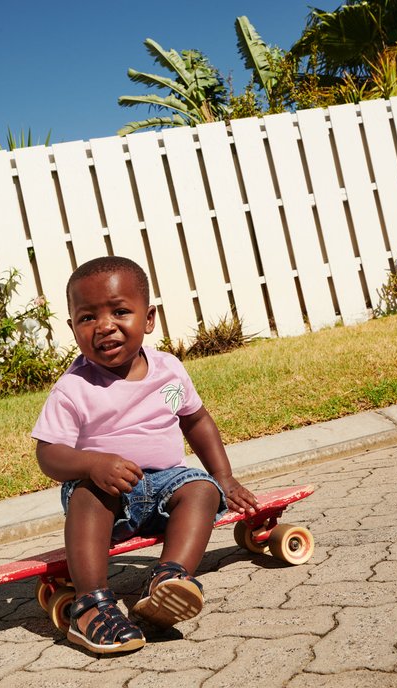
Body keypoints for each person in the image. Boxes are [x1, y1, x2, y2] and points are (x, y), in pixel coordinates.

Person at [32, 256, 259, 655]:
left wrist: (224, 478)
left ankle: (169, 580)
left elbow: (194, 420)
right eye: (87, 318)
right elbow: (49, 454)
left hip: (165, 485)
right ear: (72, 329)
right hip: (107, 496)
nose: (104, 326)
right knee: (85, 494)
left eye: (120, 311)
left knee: (201, 490)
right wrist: (92, 465)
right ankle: (89, 605)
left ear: (149, 318)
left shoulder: (167, 376)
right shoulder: (74, 390)